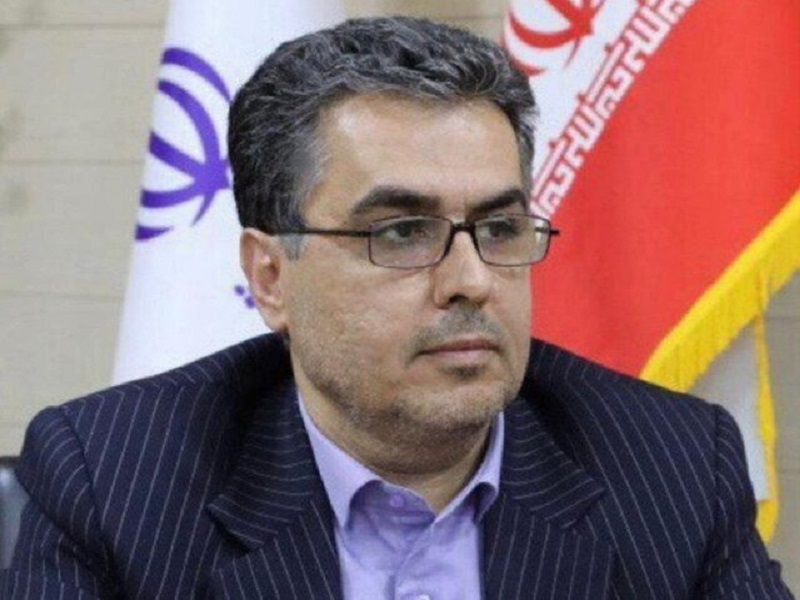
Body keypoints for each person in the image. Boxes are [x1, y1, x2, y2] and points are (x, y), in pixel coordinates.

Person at [1, 16, 793, 600]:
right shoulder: (113, 478)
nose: (471, 280)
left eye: (500, 228)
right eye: (404, 232)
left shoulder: (671, 466)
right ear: (271, 277)